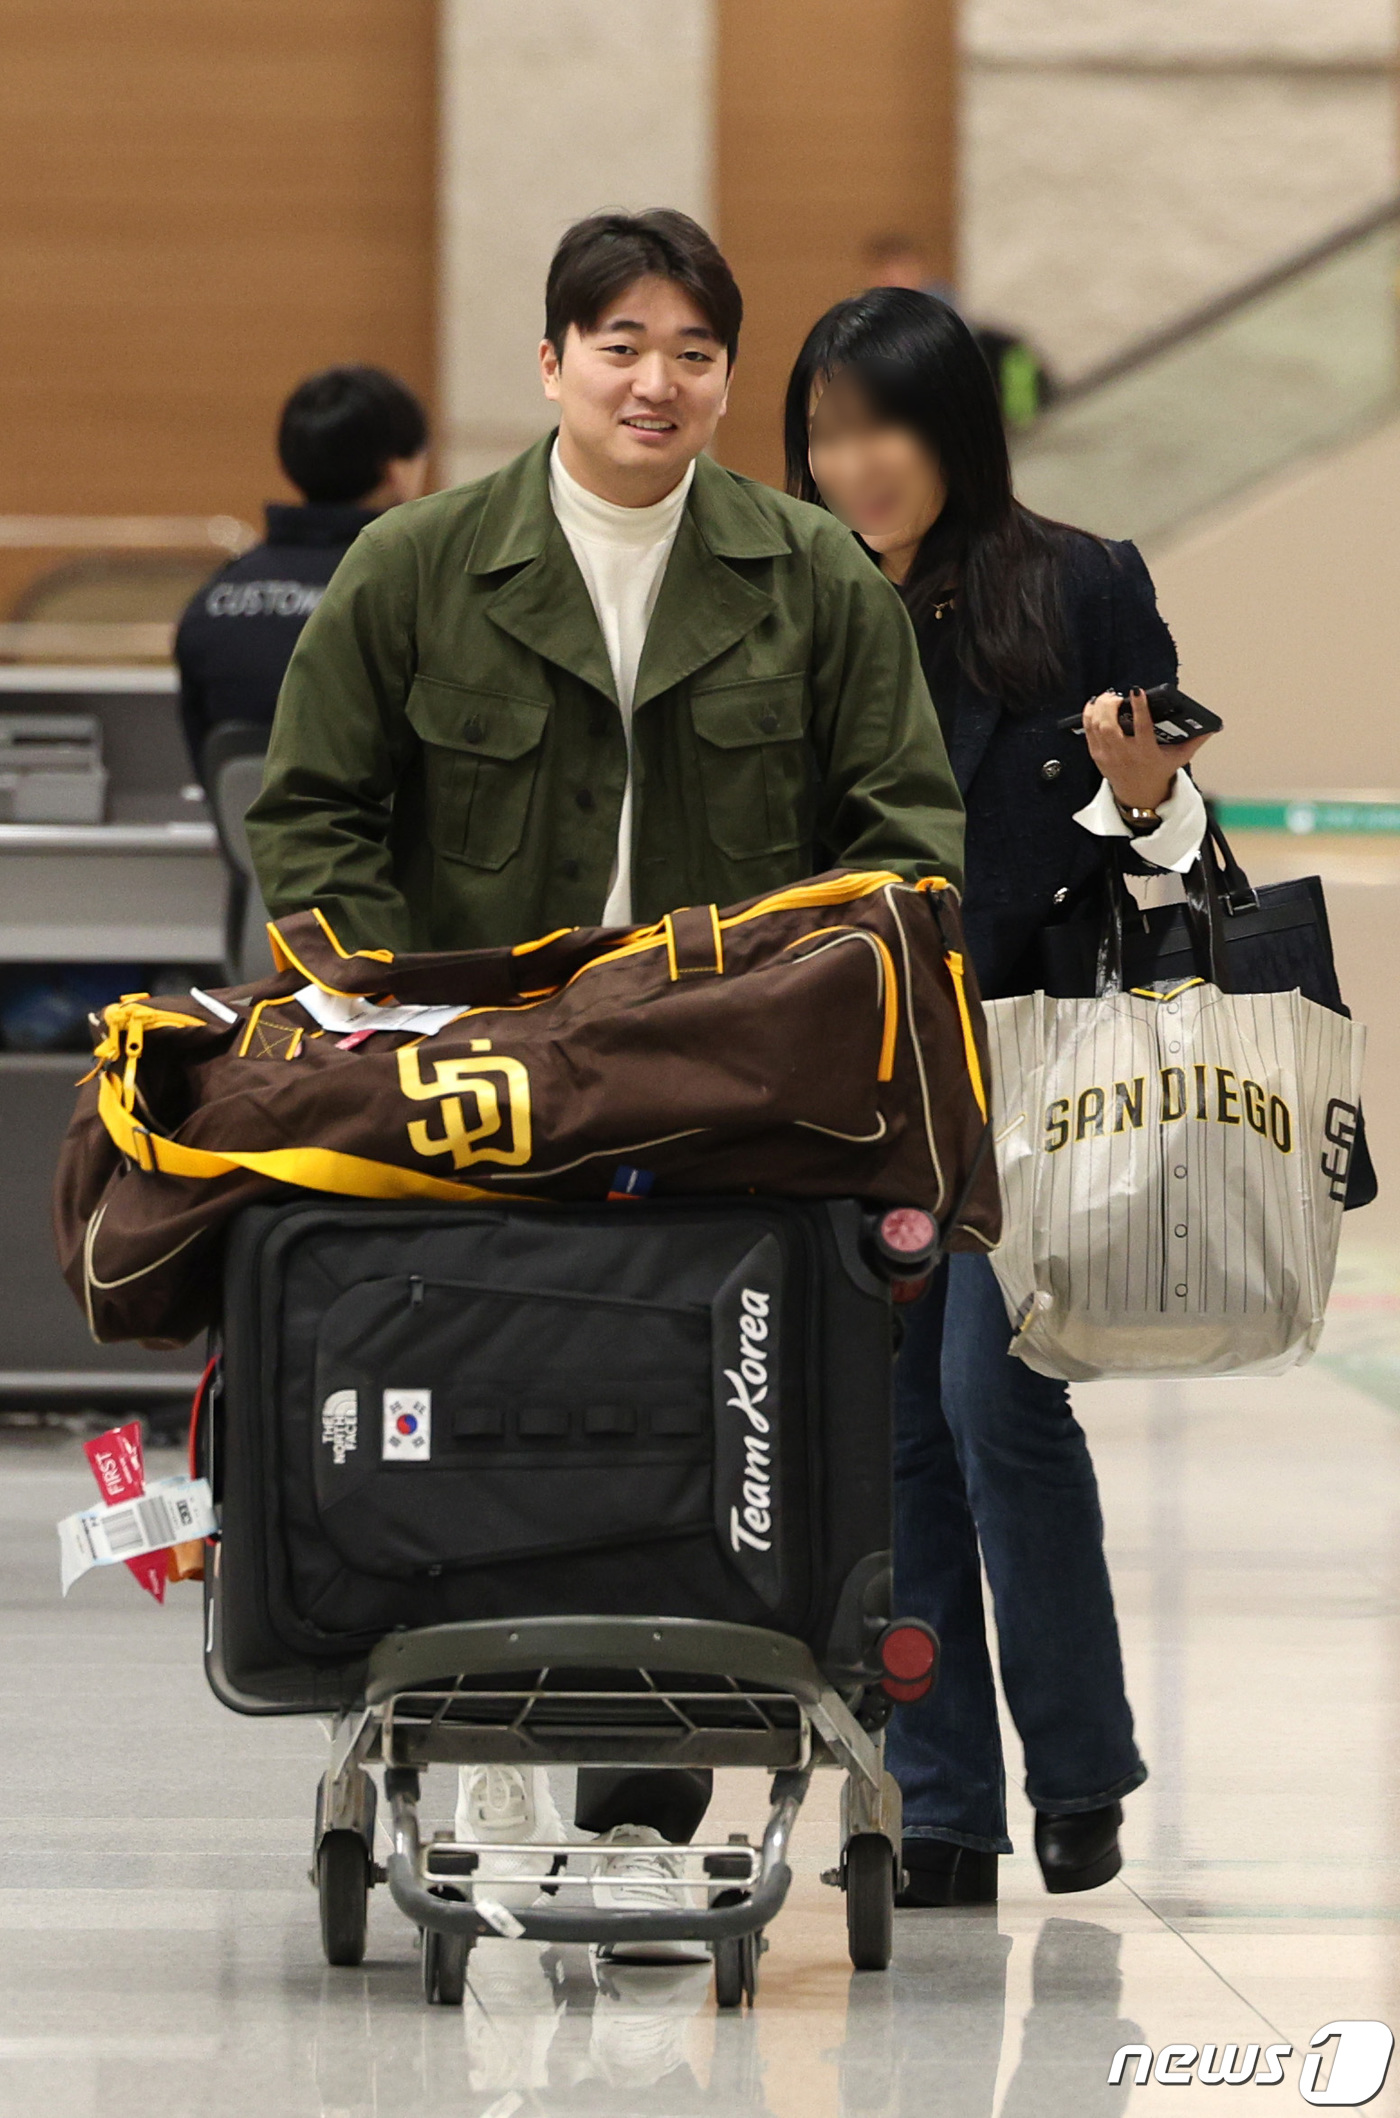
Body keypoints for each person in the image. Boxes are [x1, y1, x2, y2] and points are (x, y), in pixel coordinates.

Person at [246, 211, 965, 1952]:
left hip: (729, 1091)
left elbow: (907, 834)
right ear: (553, 361)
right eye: (623, 343)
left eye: (697, 353)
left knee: (708, 1415)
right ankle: (476, 1715)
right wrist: (416, 1008)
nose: (660, 381)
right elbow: (309, 821)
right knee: (490, 1396)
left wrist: (796, 1001)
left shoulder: (808, 573)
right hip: (478, 1093)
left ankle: (656, 1740)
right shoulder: (419, 565)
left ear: (730, 379)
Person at [784, 286, 1214, 1907]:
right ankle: (941, 1803)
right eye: (826, 433)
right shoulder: (797, 595)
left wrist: (1144, 794)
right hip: (857, 1065)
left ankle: (1081, 1764)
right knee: (895, 1433)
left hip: (1038, 1056)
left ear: (953, 426)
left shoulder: (1076, 580)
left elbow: (1180, 852)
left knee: (992, 1395)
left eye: (885, 424)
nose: (856, 463)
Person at [174, 365, 429, 782]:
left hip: (251, 848)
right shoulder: (420, 597)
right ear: (395, 471)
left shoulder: (211, 605)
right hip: (382, 847)